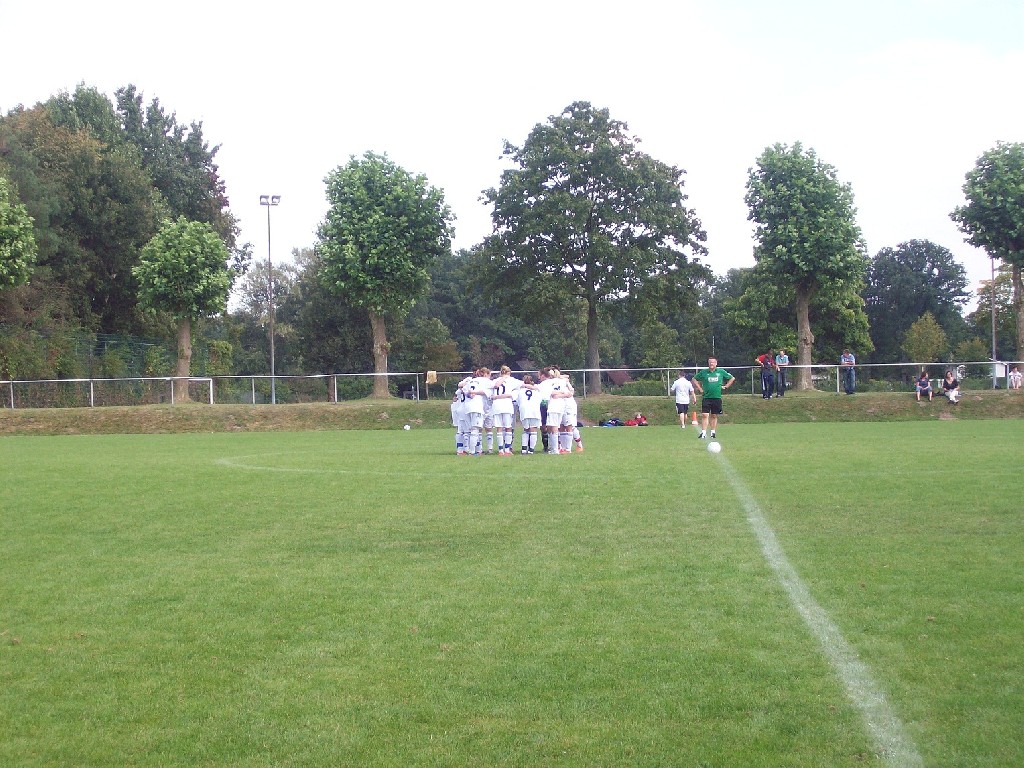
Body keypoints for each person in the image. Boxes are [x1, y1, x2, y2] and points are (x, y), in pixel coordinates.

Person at [691, 357, 734, 440]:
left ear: (716, 363)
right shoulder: (704, 372)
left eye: (713, 362)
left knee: (714, 415)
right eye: (710, 362)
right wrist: (700, 388)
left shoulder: (721, 372)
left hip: (717, 397)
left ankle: (713, 432)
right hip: (706, 397)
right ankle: (703, 432)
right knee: (705, 415)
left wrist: (726, 386)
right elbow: (694, 379)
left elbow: (732, 378)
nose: (711, 364)